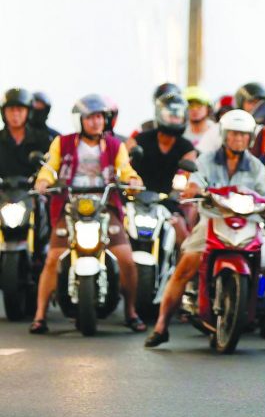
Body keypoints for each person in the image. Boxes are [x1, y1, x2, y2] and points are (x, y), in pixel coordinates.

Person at [143, 109, 265, 347]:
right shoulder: (205, 160)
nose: (238, 139)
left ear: (250, 138)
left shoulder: (256, 166)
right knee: (185, 266)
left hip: (250, 224)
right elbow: (195, 180)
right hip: (213, 221)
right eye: (233, 134)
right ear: (224, 134)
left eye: (243, 135)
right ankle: (161, 326)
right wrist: (193, 188)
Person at [30, 94, 145, 334]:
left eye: (100, 117)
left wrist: (132, 179)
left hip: (105, 205)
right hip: (70, 204)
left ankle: (131, 312)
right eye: (90, 117)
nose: (96, 122)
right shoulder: (63, 143)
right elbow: (50, 167)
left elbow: (125, 168)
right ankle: (40, 315)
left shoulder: (115, 145)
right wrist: (43, 180)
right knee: (53, 257)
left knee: (126, 258)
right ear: (79, 120)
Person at [127, 92, 196, 246]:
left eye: (178, 115)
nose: (174, 119)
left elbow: (189, 171)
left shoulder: (186, 147)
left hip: (166, 200)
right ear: (159, 114)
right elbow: (125, 159)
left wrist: (188, 185)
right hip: (135, 198)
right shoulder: (141, 138)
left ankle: (179, 269)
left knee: (181, 232)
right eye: (170, 115)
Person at [0, 88, 52, 178]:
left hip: (34, 191)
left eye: (20, 109)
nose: (15, 114)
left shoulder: (43, 140)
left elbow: (52, 169)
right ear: (3, 112)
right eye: (11, 109)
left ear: (29, 111)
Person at [182, 85, 218, 152]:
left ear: (208, 108)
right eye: (190, 105)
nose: (195, 109)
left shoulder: (217, 134)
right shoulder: (180, 134)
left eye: (199, 104)